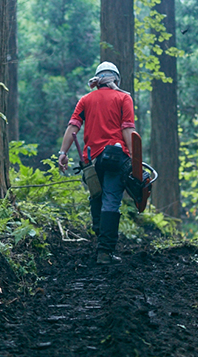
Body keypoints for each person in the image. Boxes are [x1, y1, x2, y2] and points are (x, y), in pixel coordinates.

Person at [57, 61, 137, 266]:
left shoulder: (85, 100)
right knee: (111, 200)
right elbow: (128, 130)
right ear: (116, 80)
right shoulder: (123, 98)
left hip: (91, 161)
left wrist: (63, 153)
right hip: (115, 159)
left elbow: (73, 127)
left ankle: (101, 238)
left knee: (97, 196)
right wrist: (136, 160)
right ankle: (105, 251)